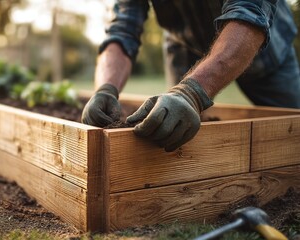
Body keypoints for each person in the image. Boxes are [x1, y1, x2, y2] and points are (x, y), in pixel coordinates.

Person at [81, 0, 300, 152]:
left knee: (294, 132)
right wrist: (105, 88)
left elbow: (250, 12)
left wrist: (192, 93)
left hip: (261, 48)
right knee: (176, 132)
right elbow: (122, 30)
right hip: (185, 47)